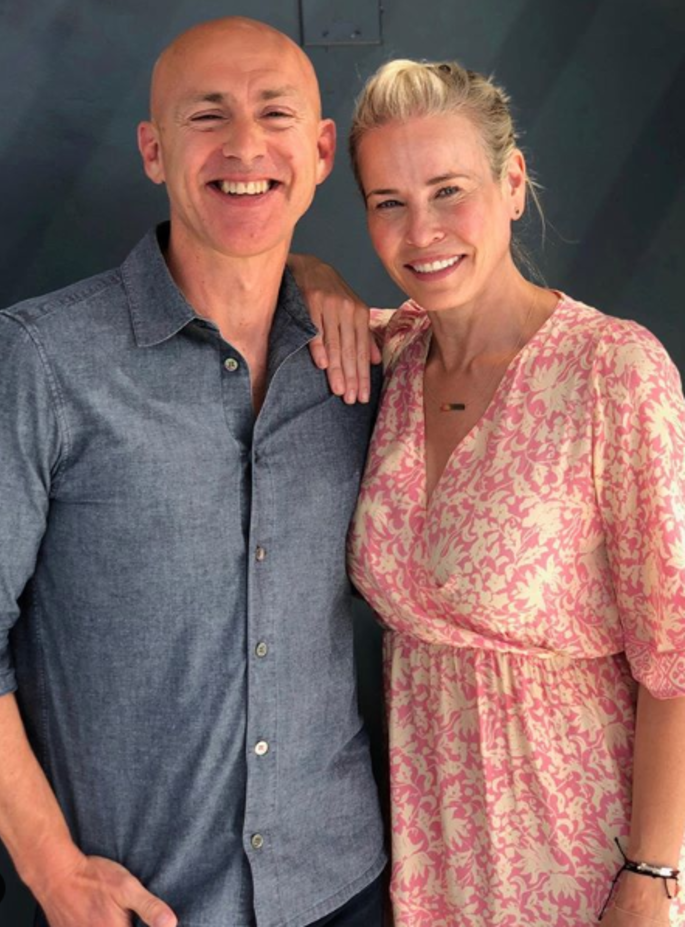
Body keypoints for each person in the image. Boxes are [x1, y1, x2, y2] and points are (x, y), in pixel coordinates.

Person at [0, 18, 386, 927]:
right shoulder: (34, 362)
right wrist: (54, 871)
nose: (245, 145)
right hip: (140, 906)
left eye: (274, 114)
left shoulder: (364, 363)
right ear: (153, 150)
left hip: (345, 886)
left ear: (319, 151)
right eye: (206, 116)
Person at [302, 59, 685, 926]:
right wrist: (311, 269)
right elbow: (262, 286)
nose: (421, 231)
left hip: (590, 856)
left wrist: (652, 874)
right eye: (388, 202)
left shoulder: (612, 371)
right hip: (432, 862)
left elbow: (677, 657)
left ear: (512, 183)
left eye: (448, 191)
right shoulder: (396, 354)